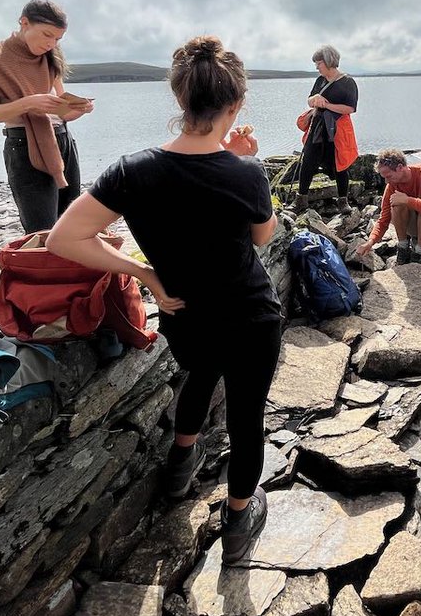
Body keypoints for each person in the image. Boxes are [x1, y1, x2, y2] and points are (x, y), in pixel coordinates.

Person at [47, 36, 281, 566]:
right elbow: (263, 238)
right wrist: (242, 162)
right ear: (237, 103)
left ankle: (179, 469)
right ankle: (239, 522)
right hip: (250, 317)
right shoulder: (245, 172)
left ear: (180, 100)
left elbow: (64, 238)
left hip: (185, 313)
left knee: (199, 376)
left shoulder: (134, 170)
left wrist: (145, 275)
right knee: (247, 419)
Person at [0, 0, 94, 233]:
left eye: (57, 39)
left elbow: (61, 113)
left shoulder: (50, 56)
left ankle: (74, 271)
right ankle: (43, 269)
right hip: (24, 145)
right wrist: (28, 103)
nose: (51, 43)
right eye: (47, 35)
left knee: (70, 225)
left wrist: (79, 109)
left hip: (62, 142)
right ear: (24, 23)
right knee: (42, 229)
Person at [354, 149, 421, 265]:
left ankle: (419, 252)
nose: (386, 181)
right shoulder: (392, 185)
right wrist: (370, 242)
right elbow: (383, 219)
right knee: (397, 204)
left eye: (388, 176)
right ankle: (403, 247)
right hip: (413, 229)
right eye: (384, 177)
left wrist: (407, 200)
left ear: (400, 167)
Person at [295, 45, 359, 214]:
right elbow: (309, 101)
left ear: (329, 61)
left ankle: (343, 202)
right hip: (317, 127)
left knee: (340, 164)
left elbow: (350, 109)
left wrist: (327, 105)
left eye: (319, 63)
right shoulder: (320, 81)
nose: (316, 67)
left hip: (337, 130)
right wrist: (314, 99)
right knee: (307, 161)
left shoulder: (348, 82)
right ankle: (301, 200)